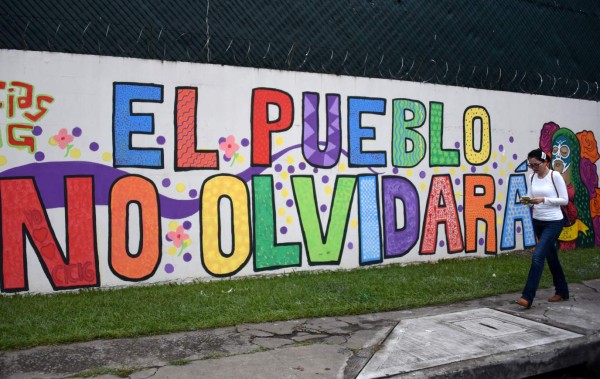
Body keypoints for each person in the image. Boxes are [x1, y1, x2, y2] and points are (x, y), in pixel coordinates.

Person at [516, 148, 569, 309]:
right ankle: (562, 291)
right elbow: (530, 195)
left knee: (538, 255)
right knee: (551, 257)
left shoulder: (555, 176)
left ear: (545, 162)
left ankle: (527, 296)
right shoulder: (532, 176)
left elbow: (564, 200)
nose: (533, 168)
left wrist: (544, 200)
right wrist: (526, 200)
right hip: (538, 221)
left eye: (536, 164)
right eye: (530, 165)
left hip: (554, 222)